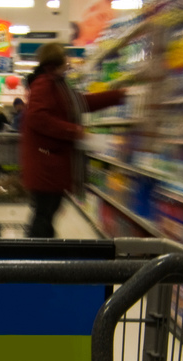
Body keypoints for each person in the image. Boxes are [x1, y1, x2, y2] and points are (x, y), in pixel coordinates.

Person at [20, 43, 125, 238]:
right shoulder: (45, 84)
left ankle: (42, 255)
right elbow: (37, 118)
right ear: (57, 61)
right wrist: (74, 131)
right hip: (46, 166)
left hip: (50, 165)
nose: (68, 61)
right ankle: (36, 259)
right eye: (65, 57)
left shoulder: (58, 85)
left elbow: (83, 102)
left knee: (46, 213)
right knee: (44, 214)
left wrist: (118, 96)